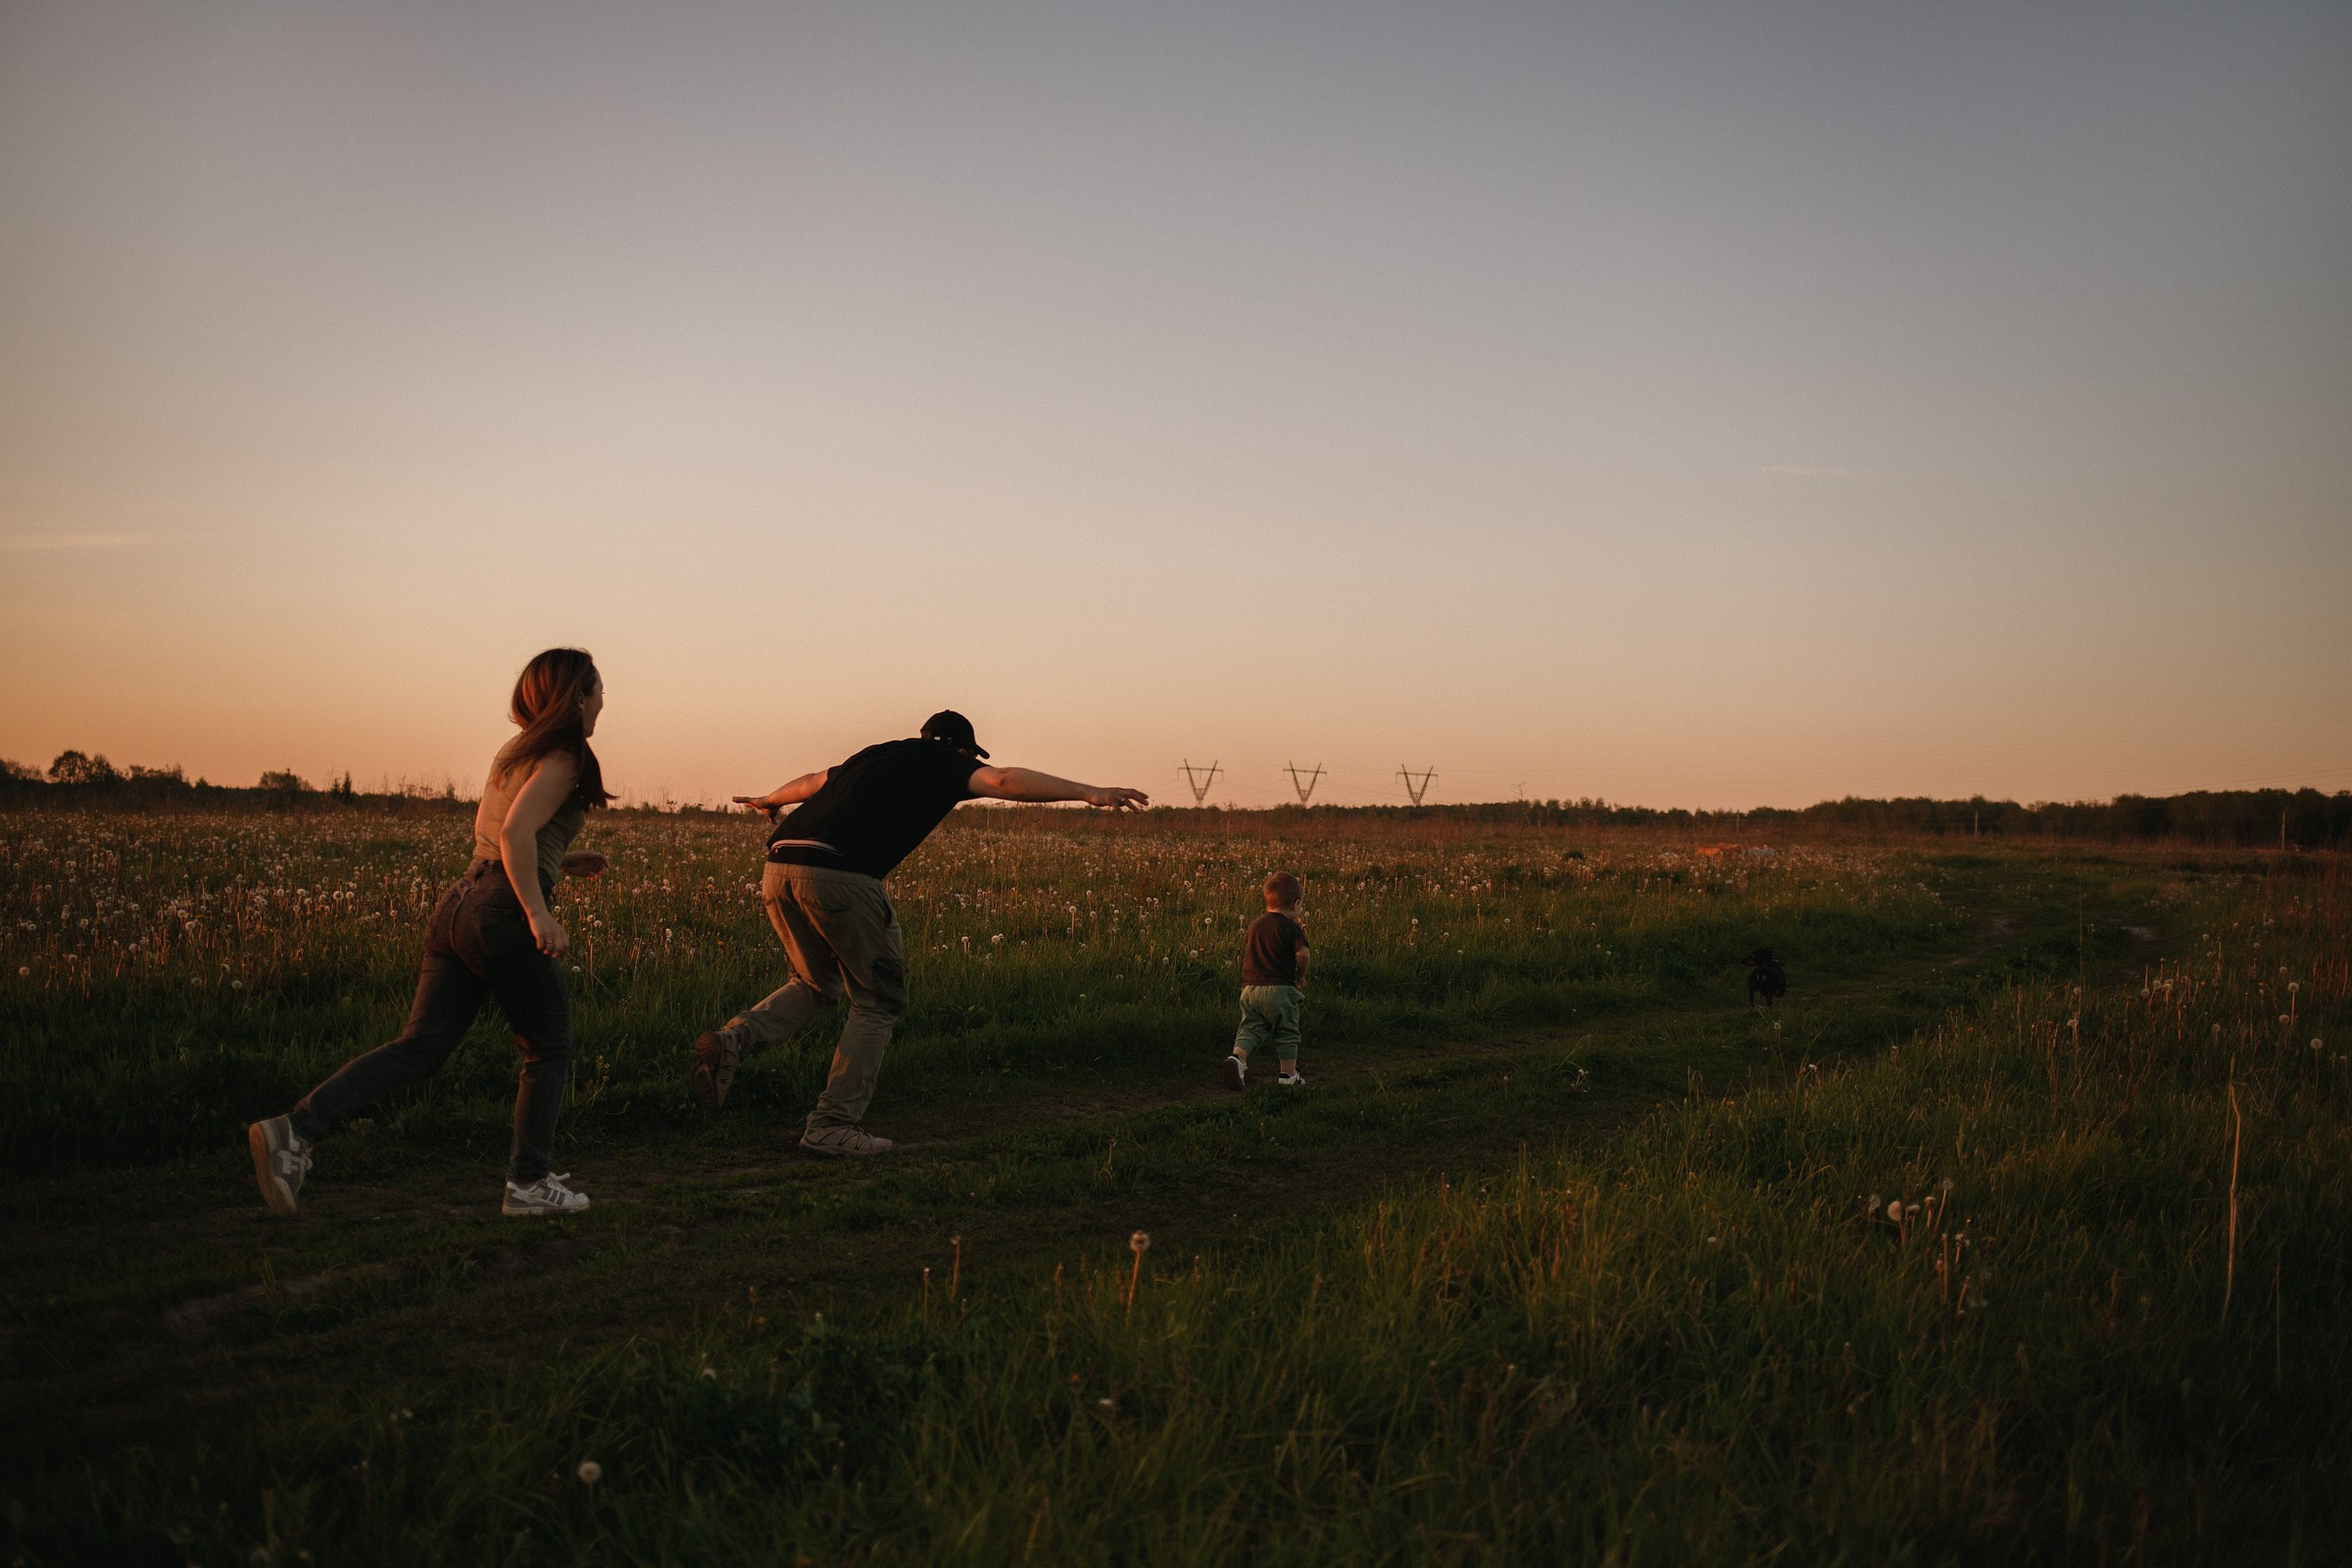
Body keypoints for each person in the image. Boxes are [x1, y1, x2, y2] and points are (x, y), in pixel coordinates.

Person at [246, 649, 613, 1218]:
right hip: (502, 912)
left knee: (419, 1048)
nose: (604, 702)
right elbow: (514, 833)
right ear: (577, 697)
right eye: (599, 690)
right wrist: (538, 912)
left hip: (461, 902)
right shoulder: (566, 754)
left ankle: (295, 1130)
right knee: (548, 1046)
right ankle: (528, 1184)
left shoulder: (517, 751)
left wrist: (558, 861)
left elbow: (496, 835)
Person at [694, 710, 1147, 1155]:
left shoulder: (875, 754)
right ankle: (832, 1125)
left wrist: (771, 800)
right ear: (963, 750)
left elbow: (812, 782)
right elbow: (1003, 780)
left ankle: (735, 1040)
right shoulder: (946, 762)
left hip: (779, 866)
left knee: (815, 984)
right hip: (839, 872)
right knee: (879, 1000)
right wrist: (1090, 792)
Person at [1224, 871, 1310, 1091]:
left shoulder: (1255, 925)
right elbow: (1302, 955)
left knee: (1250, 1028)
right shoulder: (1291, 928)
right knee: (1286, 1031)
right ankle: (1288, 1076)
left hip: (1250, 989)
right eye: (1301, 905)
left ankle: (1237, 1059)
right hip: (1280, 990)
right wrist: (1301, 974)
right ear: (1295, 904)